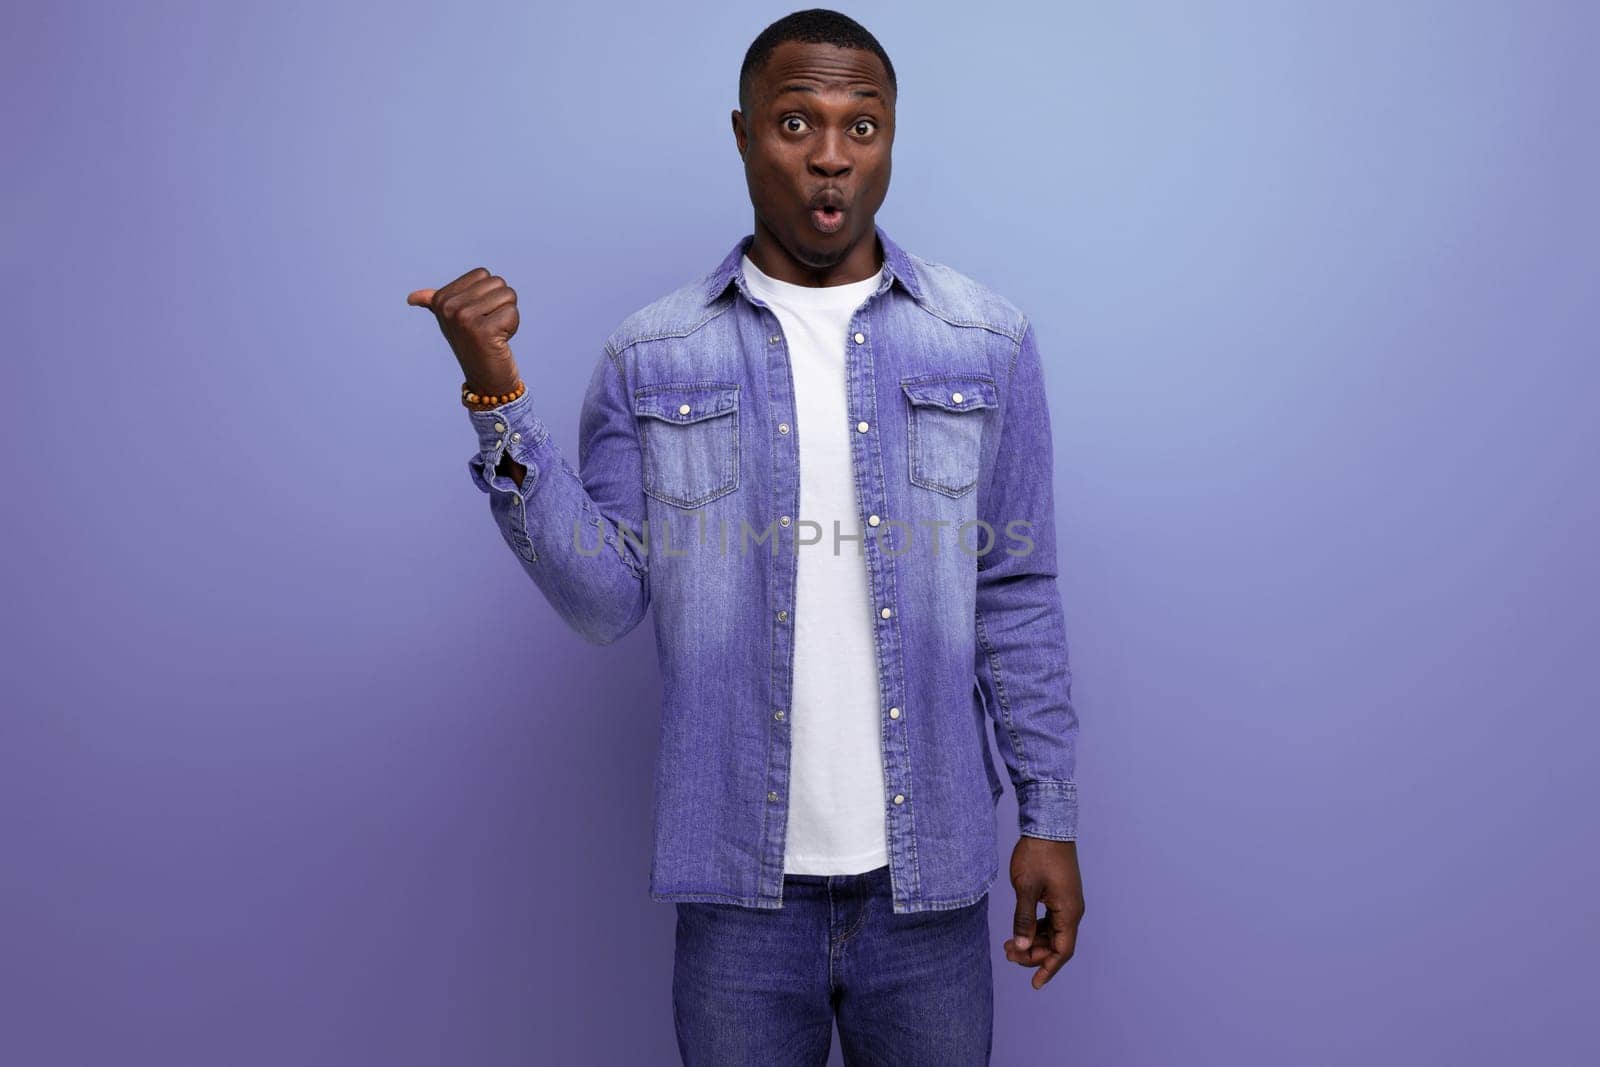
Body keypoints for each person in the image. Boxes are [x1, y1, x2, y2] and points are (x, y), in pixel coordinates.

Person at [407, 9, 1084, 1063]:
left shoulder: (983, 340)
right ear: (740, 133)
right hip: (737, 897)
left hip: (931, 881)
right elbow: (603, 601)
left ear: (891, 138)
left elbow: (1016, 589)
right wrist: (494, 393)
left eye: (862, 127)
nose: (829, 155)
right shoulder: (655, 354)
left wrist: (1049, 812)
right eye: (794, 120)